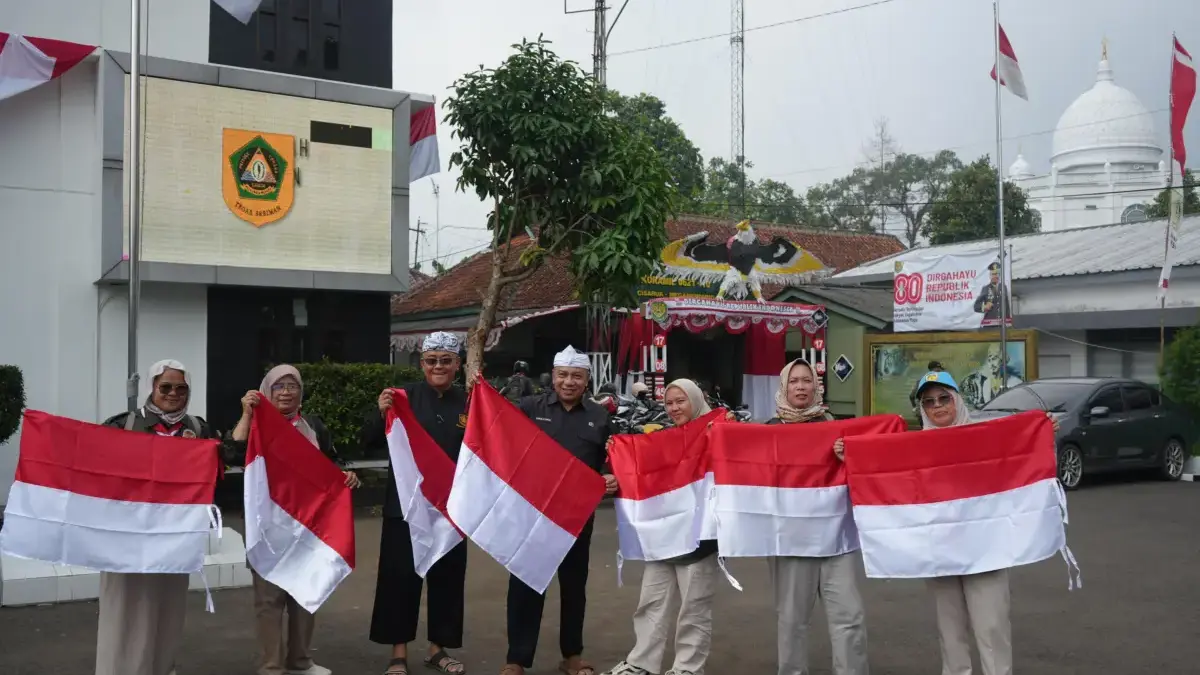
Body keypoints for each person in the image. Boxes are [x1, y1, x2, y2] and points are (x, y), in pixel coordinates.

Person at [907, 370, 1058, 675]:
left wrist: (1042, 433)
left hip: (986, 551)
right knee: (950, 633)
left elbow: (1019, 458)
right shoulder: (913, 448)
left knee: (992, 628)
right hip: (941, 553)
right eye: (929, 402)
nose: (937, 406)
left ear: (957, 399)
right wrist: (852, 456)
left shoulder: (987, 437)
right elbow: (884, 474)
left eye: (944, 398)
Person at [225, 364, 361, 675]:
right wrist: (246, 414)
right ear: (266, 390)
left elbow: (332, 462)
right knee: (269, 600)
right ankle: (271, 666)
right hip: (268, 524)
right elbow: (232, 453)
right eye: (278, 386)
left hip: (309, 526)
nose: (286, 392)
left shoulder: (313, 426)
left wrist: (346, 475)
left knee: (305, 592)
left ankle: (300, 661)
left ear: (301, 392)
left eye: (292, 386)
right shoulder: (256, 423)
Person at [95, 359, 221, 675]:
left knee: (168, 608)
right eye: (165, 387)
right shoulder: (123, 424)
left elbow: (218, 468)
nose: (173, 394)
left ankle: (161, 668)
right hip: (128, 538)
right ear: (152, 387)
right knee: (126, 609)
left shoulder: (198, 428)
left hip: (174, 538)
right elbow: (96, 470)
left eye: (181, 388)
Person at [499, 345, 619, 675]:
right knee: (524, 586)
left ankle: (572, 655)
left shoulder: (599, 416)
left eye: (576, 376)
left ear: (587, 380)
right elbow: (501, 437)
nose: (569, 382)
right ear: (552, 376)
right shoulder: (528, 407)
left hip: (576, 517)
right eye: (563, 375)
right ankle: (516, 659)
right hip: (532, 516)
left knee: (573, 588)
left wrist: (610, 475)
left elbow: (613, 458)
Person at [367, 332, 471, 675]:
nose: (438, 366)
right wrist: (380, 413)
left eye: (446, 360)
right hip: (406, 507)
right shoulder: (402, 397)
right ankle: (398, 652)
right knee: (400, 580)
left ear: (458, 364)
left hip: (451, 509)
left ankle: (438, 649)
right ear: (422, 364)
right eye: (431, 360)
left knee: (447, 579)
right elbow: (369, 440)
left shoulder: (469, 403)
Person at [603, 378, 720, 675]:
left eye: (681, 401)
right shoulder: (664, 438)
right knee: (651, 602)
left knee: (694, 607)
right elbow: (643, 469)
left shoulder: (718, 433)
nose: (674, 408)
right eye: (669, 403)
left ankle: (687, 668)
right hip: (662, 538)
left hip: (700, 540)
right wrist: (619, 451)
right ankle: (641, 663)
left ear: (696, 400)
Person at [766, 359, 869, 675]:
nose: (800, 387)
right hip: (791, 542)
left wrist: (850, 457)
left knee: (849, 617)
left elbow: (863, 476)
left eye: (806, 380)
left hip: (837, 539)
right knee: (792, 619)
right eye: (794, 381)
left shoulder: (836, 428)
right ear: (784, 387)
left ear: (816, 386)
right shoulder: (769, 431)